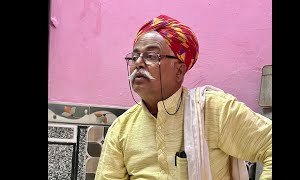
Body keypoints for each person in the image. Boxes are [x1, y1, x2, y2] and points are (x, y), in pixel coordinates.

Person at [95, 14, 272, 180]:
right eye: (134, 57)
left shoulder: (213, 110)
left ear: (179, 71)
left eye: (150, 56)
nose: (138, 63)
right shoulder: (121, 128)